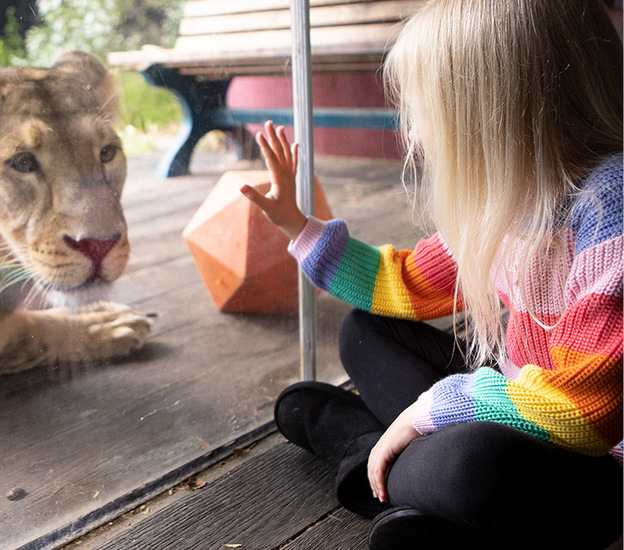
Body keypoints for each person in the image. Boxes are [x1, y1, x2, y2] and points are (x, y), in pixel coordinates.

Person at [239, 1, 623, 548]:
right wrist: (299, 228)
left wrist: (432, 408)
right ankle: (407, 483)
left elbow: (587, 413)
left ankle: (359, 452)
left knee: (473, 466)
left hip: (599, 465)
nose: (415, 139)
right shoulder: (509, 201)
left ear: (495, 112)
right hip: (524, 398)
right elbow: (402, 283)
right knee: (364, 330)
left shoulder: (612, 209)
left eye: (426, 113)